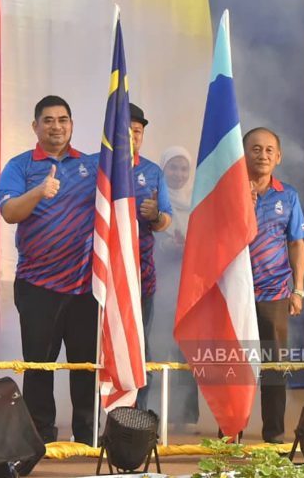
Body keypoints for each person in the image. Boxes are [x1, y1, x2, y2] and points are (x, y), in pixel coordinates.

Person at [0, 95, 99, 444]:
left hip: (85, 286)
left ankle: (87, 435)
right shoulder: (20, 166)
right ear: (35, 126)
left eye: (63, 120)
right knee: (39, 366)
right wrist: (39, 191)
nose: (57, 126)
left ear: (71, 124)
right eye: (49, 120)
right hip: (37, 285)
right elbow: (10, 213)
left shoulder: (90, 165)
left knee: (85, 366)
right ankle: (39, 435)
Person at [242, 127, 304, 443]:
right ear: (244, 154)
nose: (263, 155)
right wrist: (242, 200)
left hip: (275, 293)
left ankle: (274, 434)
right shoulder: (229, 192)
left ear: (278, 156)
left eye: (270, 149)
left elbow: (296, 244)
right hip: (236, 293)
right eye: (256, 149)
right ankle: (230, 434)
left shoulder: (288, 195)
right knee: (235, 366)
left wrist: (298, 290)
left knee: (274, 366)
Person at [128, 103, 173, 411]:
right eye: (125, 131)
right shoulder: (93, 168)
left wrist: (155, 215)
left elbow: (166, 220)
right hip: (99, 278)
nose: (132, 137)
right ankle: (95, 420)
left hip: (141, 277)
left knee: (139, 346)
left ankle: (139, 414)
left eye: (138, 131)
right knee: (100, 348)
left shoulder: (152, 172)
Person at [153, 145, 200, 429]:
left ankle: (185, 417)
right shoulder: (154, 200)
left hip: (190, 288)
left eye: (184, 168)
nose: (179, 173)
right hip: (159, 287)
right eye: (173, 167)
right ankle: (153, 411)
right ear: (163, 168)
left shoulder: (198, 202)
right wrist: (166, 245)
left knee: (188, 353)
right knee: (158, 349)